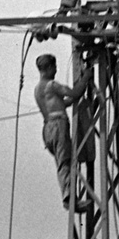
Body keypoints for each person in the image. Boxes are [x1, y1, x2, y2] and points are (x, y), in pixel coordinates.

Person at [35, 53, 93, 210]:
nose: (56, 69)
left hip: (47, 129)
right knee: (65, 162)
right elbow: (74, 93)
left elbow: (62, 103)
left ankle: (70, 196)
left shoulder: (38, 89)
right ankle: (69, 199)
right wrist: (86, 77)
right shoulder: (52, 85)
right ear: (47, 68)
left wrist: (76, 97)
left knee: (63, 162)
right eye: (54, 67)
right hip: (58, 125)